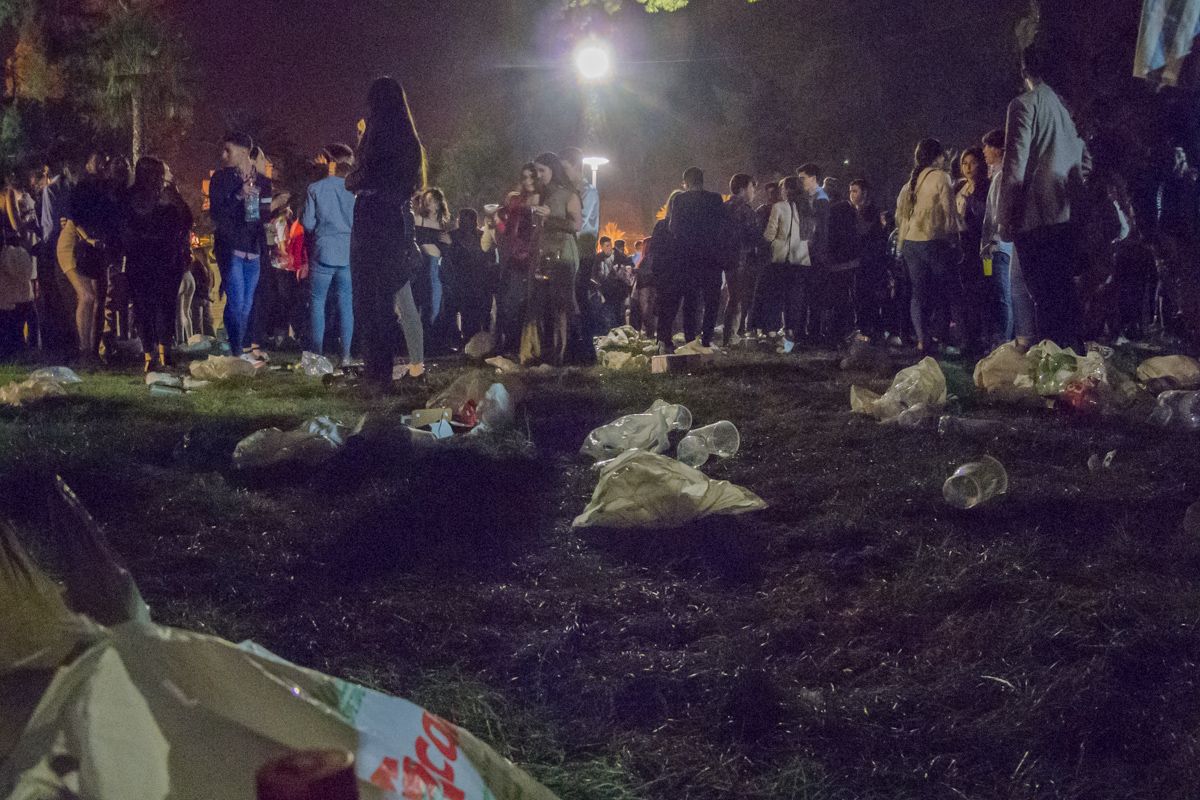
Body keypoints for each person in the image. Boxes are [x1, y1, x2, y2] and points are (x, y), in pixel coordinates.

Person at [997, 40, 1090, 351]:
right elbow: (1085, 162)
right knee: (1065, 293)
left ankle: (1056, 361)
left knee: (1045, 297)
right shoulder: (1067, 109)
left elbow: (1014, 166)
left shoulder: (1023, 105)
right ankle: (1074, 356)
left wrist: (1006, 217)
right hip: (1066, 213)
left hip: (1035, 217)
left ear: (1024, 69)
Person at [345, 76, 427, 388]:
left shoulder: (376, 136)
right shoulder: (410, 141)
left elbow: (358, 178)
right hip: (393, 218)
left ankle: (375, 372)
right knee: (385, 298)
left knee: (367, 298)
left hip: (371, 215)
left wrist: (354, 179)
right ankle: (382, 372)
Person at [119, 157, 192, 371]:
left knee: (163, 307)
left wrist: (176, 200)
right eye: (157, 174)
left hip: (165, 260)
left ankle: (162, 354)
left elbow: (186, 221)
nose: (160, 178)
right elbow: (125, 229)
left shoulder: (167, 196)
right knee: (146, 309)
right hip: (145, 260)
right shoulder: (132, 198)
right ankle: (151, 355)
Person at [895, 138, 962, 354]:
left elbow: (900, 217)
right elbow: (950, 214)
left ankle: (923, 341)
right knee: (948, 291)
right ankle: (952, 338)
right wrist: (956, 241)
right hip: (934, 242)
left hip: (910, 244)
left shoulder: (908, 185)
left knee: (919, 293)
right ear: (938, 156)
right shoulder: (941, 177)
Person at [209, 131, 272, 355]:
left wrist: (269, 210)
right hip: (230, 246)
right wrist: (238, 195)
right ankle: (237, 350)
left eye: (229, 150)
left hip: (253, 247)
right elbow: (216, 214)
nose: (223, 155)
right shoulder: (220, 179)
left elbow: (264, 215)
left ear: (245, 152)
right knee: (236, 301)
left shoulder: (263, 182)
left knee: (246, 303)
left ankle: (239, 347)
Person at [58, 152, 117, 363]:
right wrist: (88, 238)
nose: (101, 165)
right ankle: (84, 349)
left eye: (104, 162)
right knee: (87, 296)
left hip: (96, 247)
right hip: (74, 244)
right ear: (88, 165)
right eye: (96, 161)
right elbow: (74, 218)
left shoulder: (107, 189)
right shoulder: (82, 187)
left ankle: (94, 350)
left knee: (100, 298)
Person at [660, 166, 726, 350]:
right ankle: (707, 337)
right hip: (712, 258)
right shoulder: (715, 199)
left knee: (691, 299)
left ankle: (690, 338)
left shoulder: (680, 200)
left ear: (686, 183)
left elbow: (673, 227)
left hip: (688, 258)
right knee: (712, 300)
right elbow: (723, 226)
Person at [302, 142, 356, 364]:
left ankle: (317, 355)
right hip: (347, 251)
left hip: (323, 250)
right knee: (346, 305)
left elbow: (307, 224)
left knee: (317, 303)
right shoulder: (353, 190)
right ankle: (346, 356)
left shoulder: (315, 188)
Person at [529, 151, 582, 365]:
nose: (539, 175)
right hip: (545, 254)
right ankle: (548, 351)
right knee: (545, 303)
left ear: (553, 169)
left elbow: (576, 225)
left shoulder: (568, 194)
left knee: (562, 304)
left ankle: (566, 353)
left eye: (542, 170)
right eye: (536, 171)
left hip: (563, 253)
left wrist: (550, 217)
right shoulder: (542, 196)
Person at [979, 128, 1024, 348]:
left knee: (1002, 295)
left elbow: (995, 214)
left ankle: (1005, 341)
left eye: (988, 146)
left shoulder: (1001, 177)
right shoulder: (1009, 173)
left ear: (998, 149)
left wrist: (989, 242)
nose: (984, 151)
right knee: (1005, 294)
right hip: (1004, 245)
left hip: (999, 245)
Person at [495, 164, 540, 354]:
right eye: (525, 177)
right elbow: (508, 231)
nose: (528, 181)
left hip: (532, 256)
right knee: (510, 301)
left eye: (532, 176)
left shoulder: (541, 199)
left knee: (526, 301)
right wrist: (498, 222)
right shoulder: (517, 201)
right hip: (513, 256)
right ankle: (511, 343)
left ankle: (524, 345)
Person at [760, 175, 811, 343]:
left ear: (787, 189)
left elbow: (770, 233)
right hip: (801, 258)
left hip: (781, 258)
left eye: (782, 187)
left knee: (776, 295)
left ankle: (772, 331)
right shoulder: (806, 208)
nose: (780, 191)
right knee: (794, 298)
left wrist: (768, 241)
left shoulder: (779, 207)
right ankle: (791, 330)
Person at [955, 146, 989, 355]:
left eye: (973, 163)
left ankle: (981, 336)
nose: (968, 167)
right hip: (960, 245)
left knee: (981, 290)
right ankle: (965, 338)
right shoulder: (959, 187)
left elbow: (986, 217)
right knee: (962, 293)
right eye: (964, 163)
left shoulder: (986, 187)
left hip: (980, 246)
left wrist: (972, 203)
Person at [446, 208, 496, 341]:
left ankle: (473, 341)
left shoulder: (453, 236)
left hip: (472, 283)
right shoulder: (454, 236)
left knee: (473, 316)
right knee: (475, 316)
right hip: (471, 283)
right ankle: (475, 342)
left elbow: (490, 258)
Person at [722, 173, 761, 345]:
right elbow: (754, 236)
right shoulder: (746, 210)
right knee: (737, 297)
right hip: (742, 259)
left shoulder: (722, 208)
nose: (754, 192)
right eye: (752, 187)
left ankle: (729, 334)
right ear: (743, 189)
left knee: (732, 296)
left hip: (724, 258)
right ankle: (731, 335)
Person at [847, 179, 888, 342]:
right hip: (857, 260)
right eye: (850, 191)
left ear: (864, 193)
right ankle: (864, 328)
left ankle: (872, 329)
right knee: (859, 295)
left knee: (869, 295)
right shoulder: (852, 211)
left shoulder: (871, 212)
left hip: (870, 261)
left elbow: (867, 232)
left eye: (855, 191)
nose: (851, 195)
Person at [797, 163, 833, 342]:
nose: (800, 182)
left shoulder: (821, 199)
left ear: (813, 178)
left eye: (803, 178)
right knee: (806, 294)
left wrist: (815, 249)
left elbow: (820, 229)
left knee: (814, 295)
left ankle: (813, 332)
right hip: (809, 252)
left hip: (815, 254)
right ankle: (807, 332)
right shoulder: (810, 198)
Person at [413, 187, 451, 348]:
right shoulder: (418, 219)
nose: (429, 203)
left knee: (435, 303)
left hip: (436, 265)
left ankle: (430, 339)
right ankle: (422, 340)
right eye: (426, 200)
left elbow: (446, 246)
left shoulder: (442, 223)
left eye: (432, 200)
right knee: (424, 301)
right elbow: (414, 240)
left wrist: (448, 242)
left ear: (439, 202)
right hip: (423, 264)